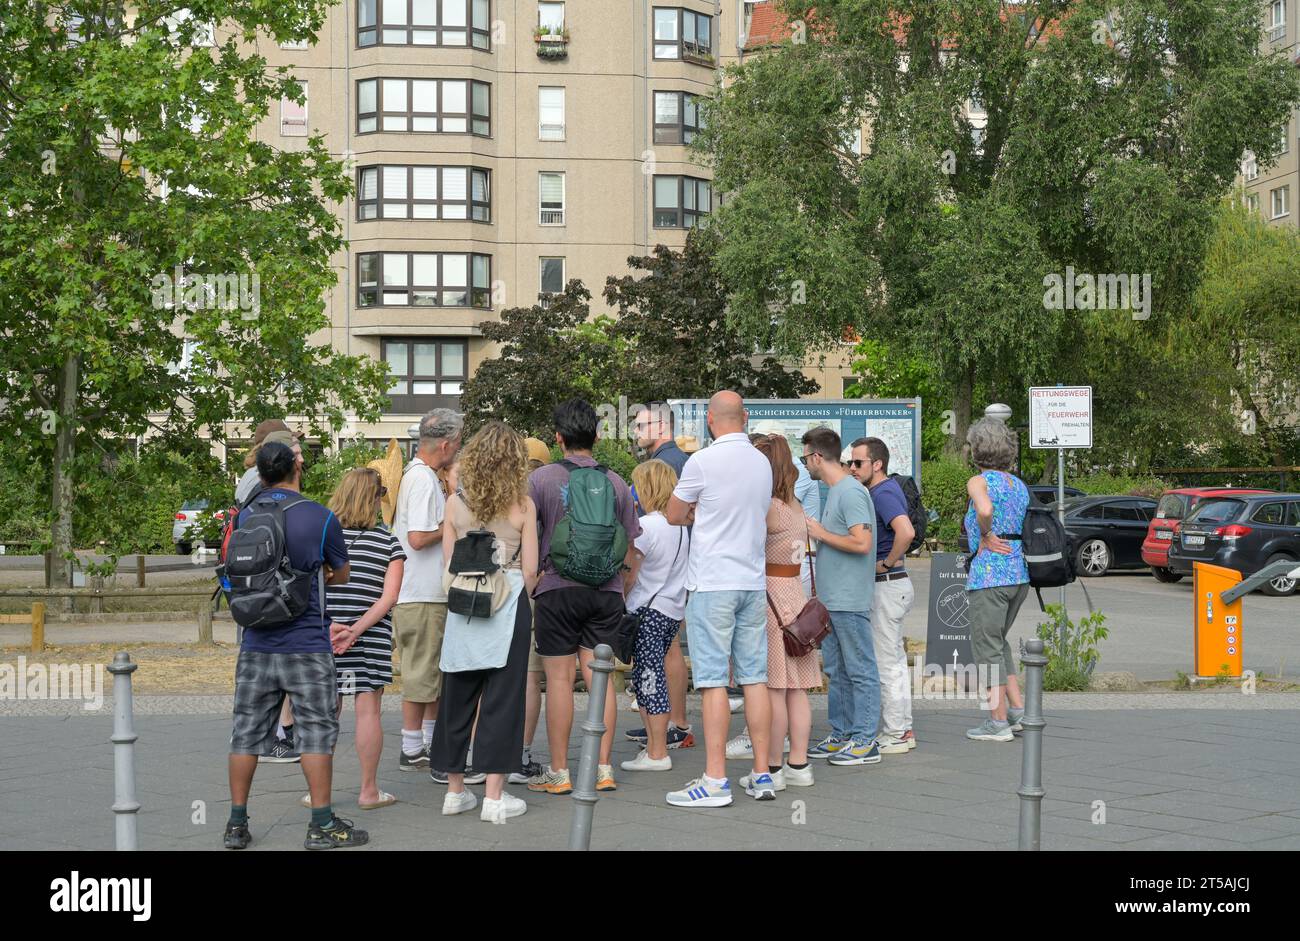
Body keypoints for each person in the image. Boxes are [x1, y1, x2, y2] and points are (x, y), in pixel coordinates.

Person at [223, 442, 365, 850]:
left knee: (245, 734)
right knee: (317, 732)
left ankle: (236, 824)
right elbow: (341, 574)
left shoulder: (243, 515)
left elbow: (232, 574)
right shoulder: (320, 516)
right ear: (297, 467)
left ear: (261, 474)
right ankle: (321, 824)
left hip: (255, 644)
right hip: (307, 641)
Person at [664, 391, 775, 808]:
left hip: (713, 581)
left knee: (712, 680)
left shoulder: (702, 462)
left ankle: (714, 780)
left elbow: (675, 515)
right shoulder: (761, 462)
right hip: (751, 578)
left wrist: (702, 515)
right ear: (744, 418)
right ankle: (762, 772)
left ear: (710, 420)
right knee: (754, 678)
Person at [528, 400, 641, 795]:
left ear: (558, 437)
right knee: (601, 682)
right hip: (605, 592)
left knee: (559, 681)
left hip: (556, 590)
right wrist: (619, 587)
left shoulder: (540, 480)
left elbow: (528, 534)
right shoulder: (616, 482)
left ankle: (560, 772)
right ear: (596, 435)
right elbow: (630, 544)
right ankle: (602, 768)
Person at [434, 422, 540, 822]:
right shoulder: (523, 505)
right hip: (508, 598)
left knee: (458, 693)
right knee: (503, 698)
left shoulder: (455, 503)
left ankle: (455, 790)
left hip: (464, 600)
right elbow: (529, 569)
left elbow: (448, 562)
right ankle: (495, 795)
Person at [323, 467, 405, 810]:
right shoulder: (389, 542)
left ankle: (319, 792)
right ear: (372, 500)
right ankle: (369, 791)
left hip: (326, 634)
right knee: (368, 711)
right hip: (368, 638)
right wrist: (358, 629)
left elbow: (312, 587)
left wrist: (332, 627)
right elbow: (389, 598)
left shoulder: (324, 538)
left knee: (326, 713)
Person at [742, 434, 819, 793]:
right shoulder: (797, 505)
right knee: (798, 690)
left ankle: (772, 767)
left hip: (771, 597)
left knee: (774, 688)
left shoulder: (768, 506)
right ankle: (799, 764)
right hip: (796, 596)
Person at [802, 427, 882, 767]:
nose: (805, 464)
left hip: (849, 599)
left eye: (806, 457)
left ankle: (866, 739)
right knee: (838, 669)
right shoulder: (835, 491)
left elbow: (861, 543)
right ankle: (843, 733)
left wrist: (819, 533)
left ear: (818, 457)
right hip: (833, 600)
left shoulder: (849, 492)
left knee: (859, 668)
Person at [392, 409, 463, 776]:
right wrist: (450, 526)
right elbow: (418, 538)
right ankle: (411, 746)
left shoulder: (420, 476)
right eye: (460, 442)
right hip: (421, 593)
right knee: (422, 673)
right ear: (447, 443)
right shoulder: (420, 479)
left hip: (423, 592)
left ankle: (427, 742)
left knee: (430, 673)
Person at [625, 407, 694, 752]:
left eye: (640, 425)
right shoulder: (679, 463)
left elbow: (633, 567)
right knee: (665, 656)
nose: (635, 431)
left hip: (653, 601)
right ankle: (667, 728)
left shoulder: (670, 464)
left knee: (655, 667)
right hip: (672, 595)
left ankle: (666, 736)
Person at [243, 428, 308, 764]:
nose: (301, 456)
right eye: (295, 449)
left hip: (254, 594)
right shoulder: (264, 492)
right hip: (274, 593)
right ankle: (276, 735)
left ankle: (268, 734)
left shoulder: (249, 488)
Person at [962, 418, 1030, 742]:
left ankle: (997, 720)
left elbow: (985, 509)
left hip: (990, 576)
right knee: (999, 642)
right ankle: (1017, 709)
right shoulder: (1019, 486)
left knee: (986, 649)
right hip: (1019, 575)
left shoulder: (979, 481)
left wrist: (986, 533)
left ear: (977, 448)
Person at [850, 437, 917, 755]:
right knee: (893, 660)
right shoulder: (879, 491)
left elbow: (906, 531)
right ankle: (901, 728)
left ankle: (897, 731)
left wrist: (886, 562)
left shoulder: (883, 491)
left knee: (887, 662)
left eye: (858, 462)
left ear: (877, 464)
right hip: (893, 584)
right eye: (850, 462)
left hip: (888, 582)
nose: (852, 467)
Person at [514, 437, 554, 783]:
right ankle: (521, 755)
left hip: (490, 592)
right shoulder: (545, 492)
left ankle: (482, 751)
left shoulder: (495, 491)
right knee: (530, 676)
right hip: (531, 590)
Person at [634, 402, 689, 476]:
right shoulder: (686, 460)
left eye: (641, 425)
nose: (635, 430)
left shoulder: (659, 467)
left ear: (661, 427)